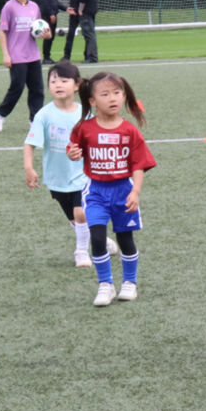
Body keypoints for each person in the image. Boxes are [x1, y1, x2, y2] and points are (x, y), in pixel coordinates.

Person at [66, 72, 155, 307]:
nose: (112, 98)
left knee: (125, 239)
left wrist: (135, 192)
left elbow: (139, 164)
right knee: (97, 238)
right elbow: (73, 148)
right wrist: (72, 153)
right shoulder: (84, 128)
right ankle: (105, 284)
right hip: (95, 192)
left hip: (123, 191)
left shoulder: (129, 130)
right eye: (105, 94)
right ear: (93, 101)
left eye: (117, 93)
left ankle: (130, 282)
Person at [24, 61, 97, 268]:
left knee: (81, 213)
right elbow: (30, 143)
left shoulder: (85, 114)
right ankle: (99, 239)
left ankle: (81, 252)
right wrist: (29, 168)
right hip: (57, 178)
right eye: (53, 81)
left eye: (64, 81)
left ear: (76, 85)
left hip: (83, 175)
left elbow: (94, 141)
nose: (58, 85)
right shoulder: (44, 115)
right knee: (75, 220)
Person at [0, 0, 45, 132]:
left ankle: (34, 120)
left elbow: (39, 29)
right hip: (16, 56)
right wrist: (6, 55)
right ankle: (0, 115)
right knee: (17, 87)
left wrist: (46, 34)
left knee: (37, 90)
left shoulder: (34, 7)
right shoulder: (9, 7)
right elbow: (2, 32)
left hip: (33, 55)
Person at [65, 0, 100, 64]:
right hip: (93, 9)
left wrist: (80, 9)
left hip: (86, 10)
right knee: (91, 33)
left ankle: (92, 57)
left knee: (88, 34)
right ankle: (91, 55)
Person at [36, 0, 63, 65]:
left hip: (52, 15)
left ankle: (47, 57)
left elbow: (55, 2)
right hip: (47, 16)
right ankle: (46, 57)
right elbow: (44, 2)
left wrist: (66, 8)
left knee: (51, 37)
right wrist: (51, 13)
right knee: (48, 36)